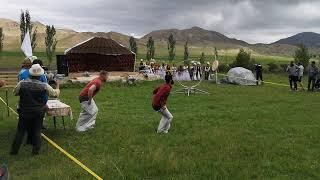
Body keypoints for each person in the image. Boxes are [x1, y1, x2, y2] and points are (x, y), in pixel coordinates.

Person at [10, 64, 60, 155]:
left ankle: (14, 151)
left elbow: (15, 93)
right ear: (40, 75)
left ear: (30, 74)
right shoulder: (44, 86)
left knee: (20, 131)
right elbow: (55, 94)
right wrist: (57, 87)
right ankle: (35, 152)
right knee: (37, 130)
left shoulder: (22, 83)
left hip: (24, 110)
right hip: (38, 111)